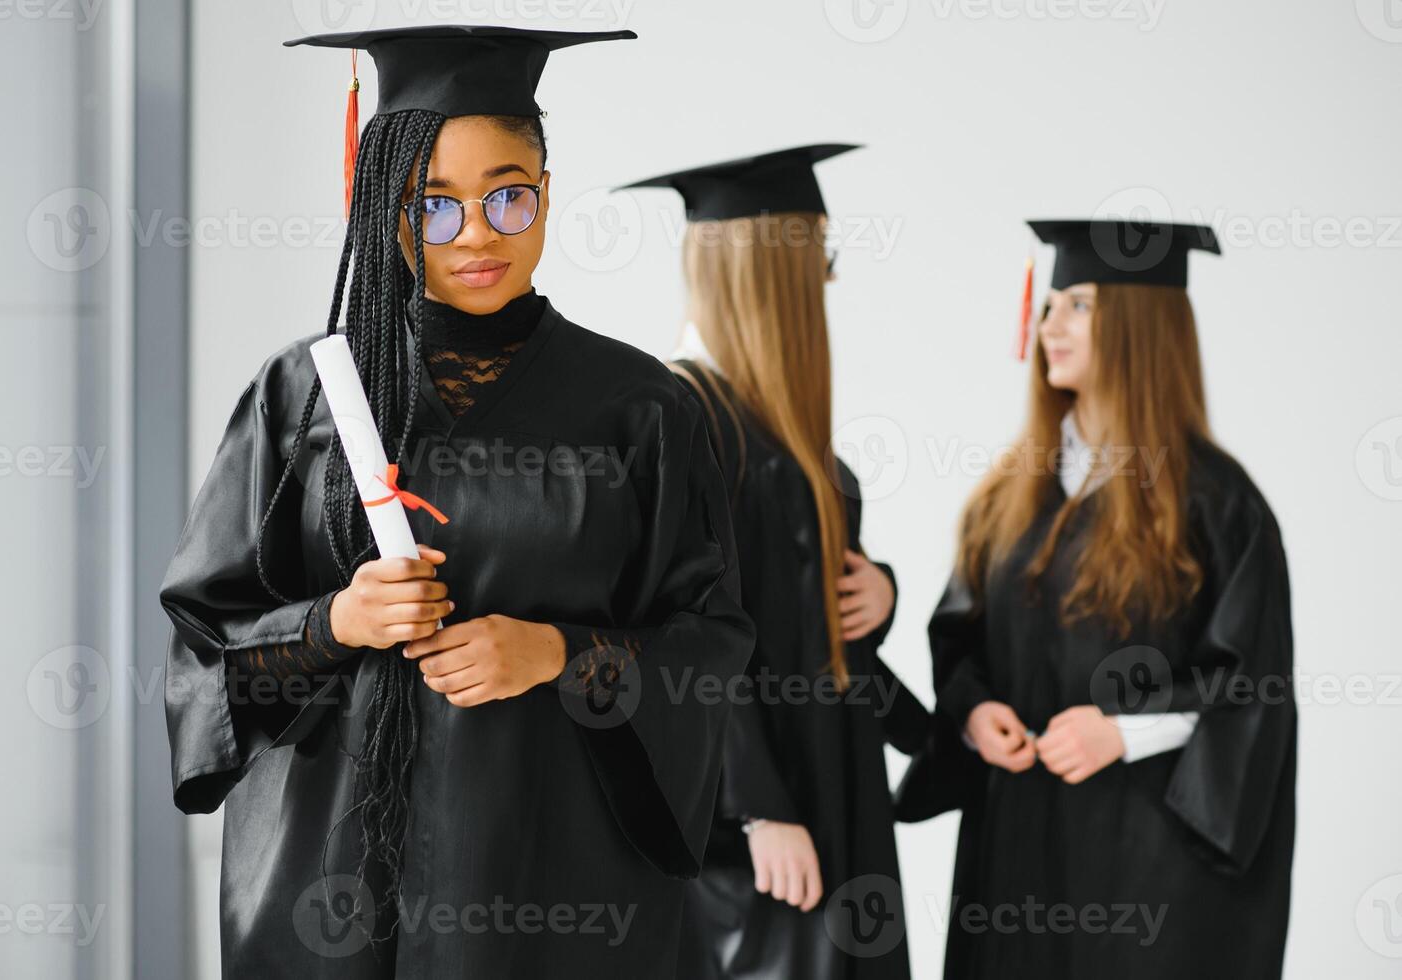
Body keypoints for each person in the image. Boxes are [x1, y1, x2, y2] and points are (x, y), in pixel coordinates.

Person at [159, 25, 754, 978]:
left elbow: (712, 643)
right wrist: (333, 622)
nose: (477, 234)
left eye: (507, 197)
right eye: (433, 206)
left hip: (557, 885)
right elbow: (201, 647)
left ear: (548, 194)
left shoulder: (641, 407)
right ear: (382, 212)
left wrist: (558, 653)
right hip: (330, 887)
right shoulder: (304, 397)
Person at [899, 219, 1296, 977]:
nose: (1051, 324)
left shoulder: (1217, 502)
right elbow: (959, 642)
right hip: (1018, 843)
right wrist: (976, 713)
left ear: (1141, 326)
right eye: (1049, 305)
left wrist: (1124, 732)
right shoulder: (1009, 494)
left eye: (1077, 304)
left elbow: (1256, 685)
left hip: (1150, 857)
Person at [620, 144, 931, 979]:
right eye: (817, 253)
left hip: (832, 789)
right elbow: (677, 633)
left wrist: (881, 597)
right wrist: (758, 810)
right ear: (769, 268)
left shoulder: (772, 424)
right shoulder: (684, 418)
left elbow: (800, 619)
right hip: (759, 831)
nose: (826, 278)